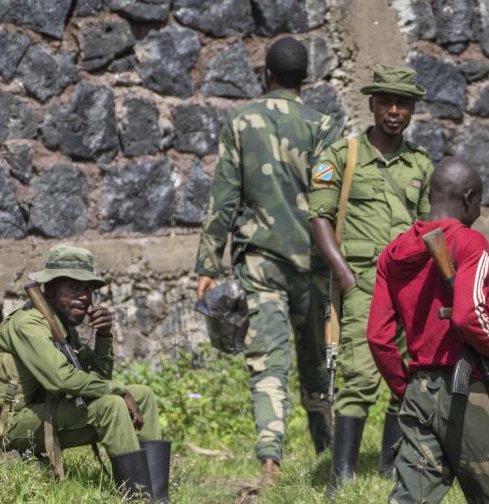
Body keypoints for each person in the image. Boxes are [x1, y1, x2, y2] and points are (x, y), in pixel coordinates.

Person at [194, 37, 340, 484]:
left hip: (260, 265)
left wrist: (206, 265)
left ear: (267, 75)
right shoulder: (324, 127)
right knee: (318, 367)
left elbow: (223, 199)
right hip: (315, 267)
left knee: (267, 363)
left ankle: (270, 462)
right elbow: (330, 199)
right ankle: (331, 455)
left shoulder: (241, 122)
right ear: (307, 79)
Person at [367, 157, 489, 504]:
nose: (481, 211)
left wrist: (403, 388)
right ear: (469, 197)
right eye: (481, 201)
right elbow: (469, 317)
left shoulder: (391, 255)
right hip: (467, 390)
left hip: (418, 390)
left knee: (411, 497)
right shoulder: (471, 243)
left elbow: (378, 338)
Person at [309, 64, 434, 486]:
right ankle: (340, 477)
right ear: (372, 105)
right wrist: (344, 276)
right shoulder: (342, 157)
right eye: (386, 102)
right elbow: (319, 219)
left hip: (411, 286)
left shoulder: (421, 164)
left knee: (407, 374)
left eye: (402, 103)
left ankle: (390, 466)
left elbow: (430, 227)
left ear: (412, 109)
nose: (394, 111)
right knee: (360, 374)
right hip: (363, 280)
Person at [0, 245, 168, 500]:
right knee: (112, 405)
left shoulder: (62, 325)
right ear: (50, 289)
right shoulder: (29, 324)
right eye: (73, 287)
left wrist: (104, 337)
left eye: (88, 289)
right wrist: (118, 390)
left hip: (48, 411)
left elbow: (98, 379)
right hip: (11, 424)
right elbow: (61, 379)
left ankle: (157, 494)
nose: (83, 296)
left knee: (142, 395)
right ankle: (137, 497)